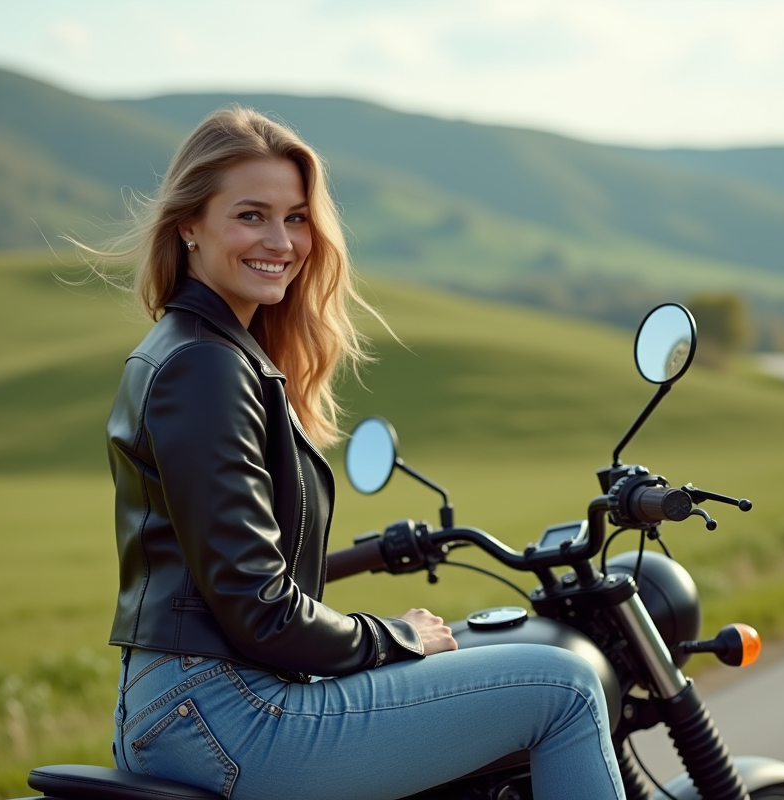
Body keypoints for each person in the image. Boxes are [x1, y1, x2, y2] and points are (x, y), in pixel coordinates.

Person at [101, 106, 625, 800]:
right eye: (251, 215)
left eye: (294, 217)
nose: (281, 241)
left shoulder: (203, 350)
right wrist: (395, 636)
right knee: (564, 684)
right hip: (228, 710)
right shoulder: (207, 366)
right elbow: (259, 608)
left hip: (197, 700)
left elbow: (228, 567)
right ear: (189, 224)